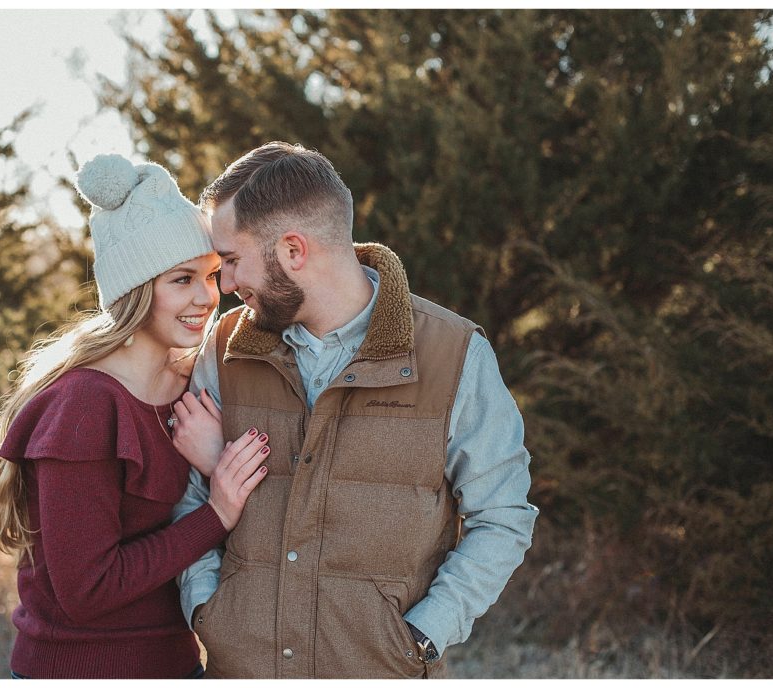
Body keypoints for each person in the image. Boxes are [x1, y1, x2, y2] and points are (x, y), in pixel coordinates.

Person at [169, 142, 539, 679]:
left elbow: (502, 516)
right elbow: (188, 494)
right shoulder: (224, 349)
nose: (223, 286)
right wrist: (207, 610)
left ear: (293, 251)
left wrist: (423, 635)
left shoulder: (453, 354)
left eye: (230, 261)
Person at [0, 154, 270, 679]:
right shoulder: (83, 406)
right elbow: (88, 590)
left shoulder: (197, 387)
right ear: (137, 288)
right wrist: (215, 514)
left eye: (212, 275)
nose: (206, 297)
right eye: (182, 279)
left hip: (174, 663)